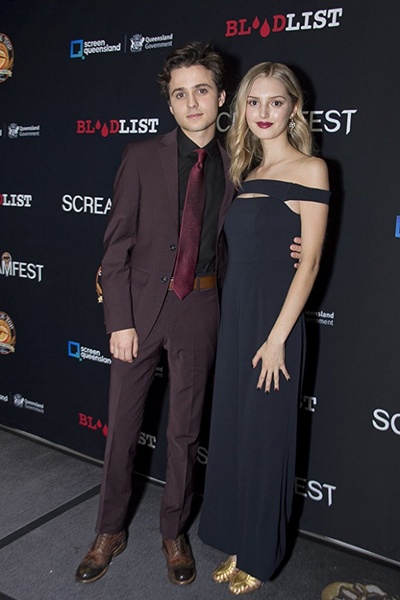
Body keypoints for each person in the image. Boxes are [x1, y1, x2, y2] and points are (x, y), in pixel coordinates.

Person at [75, 44, 301, 587]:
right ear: (170, 103)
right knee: (122, 428)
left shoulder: (240, 165)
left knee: (184, 432)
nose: (191, 102)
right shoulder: (140, 157)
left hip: (200, 308)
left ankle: (173, 531)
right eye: (180, 94)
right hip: (139, 311)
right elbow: (115, 246)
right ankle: (109, 529)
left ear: (222, 97)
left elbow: (260, 229)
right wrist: (119, 320)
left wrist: (293, 246)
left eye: (202, 90)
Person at [198, 62, 330, 595]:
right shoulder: (246, 173)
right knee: (236, 433)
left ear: (294, 107)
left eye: (275, 101)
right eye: (253, 102)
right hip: (237, 318)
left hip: (277, 324)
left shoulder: (312, 169)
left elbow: (310, 262)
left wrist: (277, 339)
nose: (263, 113)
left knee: (267, 439)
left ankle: (260, 554)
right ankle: (236, 539)